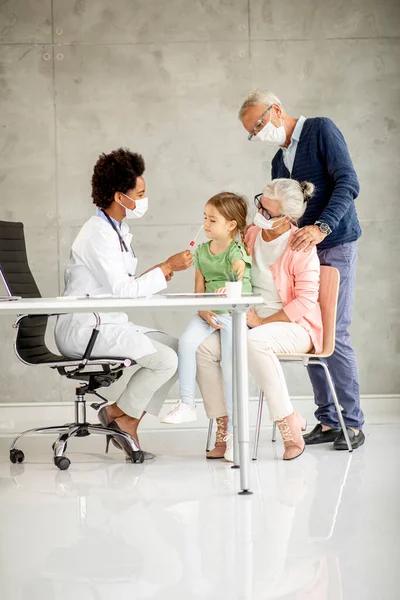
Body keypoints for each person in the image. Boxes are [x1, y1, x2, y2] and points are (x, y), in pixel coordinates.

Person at [238, 89, 365, 450]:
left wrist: (320, 227)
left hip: (335, 241)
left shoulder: (321, 130)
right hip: (300, 254)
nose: (259, 134)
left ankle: (352, 423)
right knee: (304, 326)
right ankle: (327, 420)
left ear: (276, 110)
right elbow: (286, 213)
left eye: (259, 124)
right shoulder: (280, 161)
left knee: (335, 333)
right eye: (253, 132)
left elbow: (348, 182)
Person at [55, 148, 192, 459]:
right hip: (85, 328)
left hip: (107, 321)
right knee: (166, 360)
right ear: (120, 196)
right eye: (140, 193)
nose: (145, 198)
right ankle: (123, 419)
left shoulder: (115, 230)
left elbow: (120, 285)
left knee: (181, 350)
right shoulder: (97, 235)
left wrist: (162, 269)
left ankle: (123, 416)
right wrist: (166, 268)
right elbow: (123, 290)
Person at [197, 178, 323, 460]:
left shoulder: (299, 246)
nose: (259, 215)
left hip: (293, 327)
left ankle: (287, 422)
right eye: (260, 205)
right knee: (205, 348)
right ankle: (225, 427)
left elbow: (305, 302)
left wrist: (262, 322)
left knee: (254, 341)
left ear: (286, 217)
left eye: (267, 212)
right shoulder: (251, 235)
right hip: (249, 321)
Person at [161, 192, 252, 462]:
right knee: (187, 343)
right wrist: (203, 308)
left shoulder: (236, 252)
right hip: (208, 313)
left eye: (213, 219)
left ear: (231, 225)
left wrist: (230, 288)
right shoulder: (201, 251)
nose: (206, 224)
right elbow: (199, 290)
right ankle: (187, 404)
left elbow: (241, 283)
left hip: (232, 315)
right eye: (205, 218)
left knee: (230, 370)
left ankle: (235, 435)